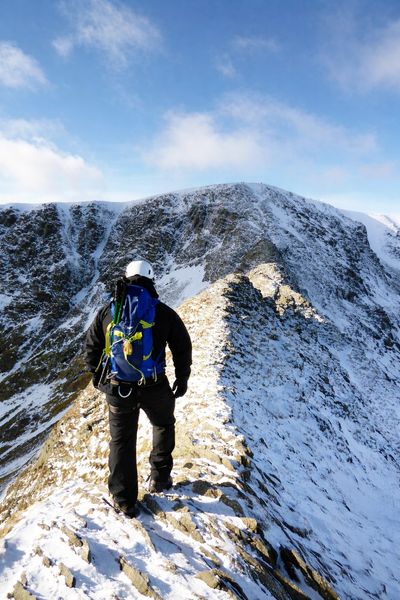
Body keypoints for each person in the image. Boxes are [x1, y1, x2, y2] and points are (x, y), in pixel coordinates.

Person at [84, 259, 192, 517]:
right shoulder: (163, 312)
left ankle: (124, 501)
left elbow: (91, 346)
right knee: (163, 425)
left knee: (121, 441)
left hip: (119, 387)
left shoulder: (109, 311)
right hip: (155, 384)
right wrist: (182, 377)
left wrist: (98, 377)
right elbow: (182, 346)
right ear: (151, 280)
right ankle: (160, 478)